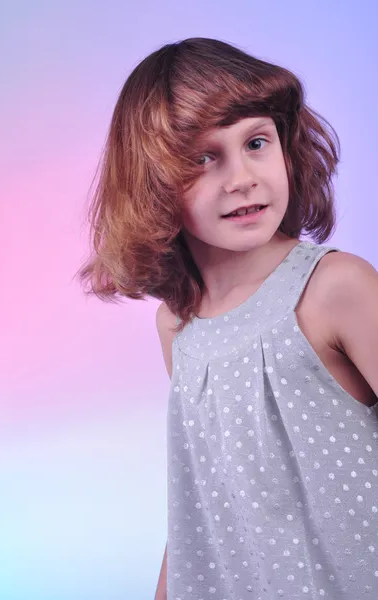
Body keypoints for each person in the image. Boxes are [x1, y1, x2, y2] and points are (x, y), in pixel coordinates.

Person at [80, 37, 378, 600]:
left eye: (257, 142)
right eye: (202, 157)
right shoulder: (178, 327)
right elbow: (202, 498)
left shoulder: (335, 289)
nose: (241, 177)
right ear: (153, 184)